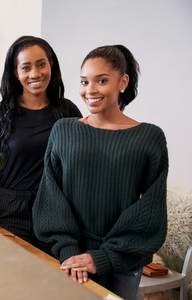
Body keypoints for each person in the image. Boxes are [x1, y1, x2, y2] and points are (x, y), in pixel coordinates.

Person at [32, 44, 168, 299]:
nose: (90, 90)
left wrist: (103, 257)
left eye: (101, 81)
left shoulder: (149, 137)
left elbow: (151, 210)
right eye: (84, 81)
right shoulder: (63, 130)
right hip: (69, 258)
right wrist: (69, 250)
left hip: (122, 262)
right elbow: (51, 195)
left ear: (123, 82)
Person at [0, 35, 82, 250]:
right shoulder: (1, 113)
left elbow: (83, 164)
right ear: (16, 72)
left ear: (51, 64)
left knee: (54, 280)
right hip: (14, 213)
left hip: (57, 212)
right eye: (26, 67)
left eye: (41, 64)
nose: (35, 74)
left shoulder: (68, 112)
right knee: (14, 278)